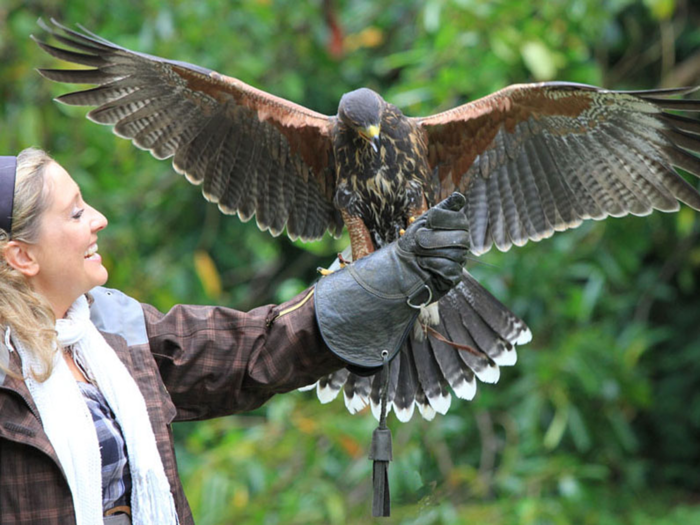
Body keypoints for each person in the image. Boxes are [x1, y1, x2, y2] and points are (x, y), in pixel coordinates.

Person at [0, 148, 470, 525]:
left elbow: (252, 351)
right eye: (76, 213)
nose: (98, 219)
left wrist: (383, 283)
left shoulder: (114, 329)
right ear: (23, 256)